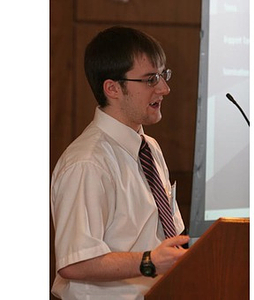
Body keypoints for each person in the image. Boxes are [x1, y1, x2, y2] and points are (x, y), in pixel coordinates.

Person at [51, 26, 189, 300]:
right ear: (113, 88)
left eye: (163, 75)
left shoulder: (149, 148)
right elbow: (74, 262)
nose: (165, 88)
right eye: (151, 79)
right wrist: (149, 261)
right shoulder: (87, 162)